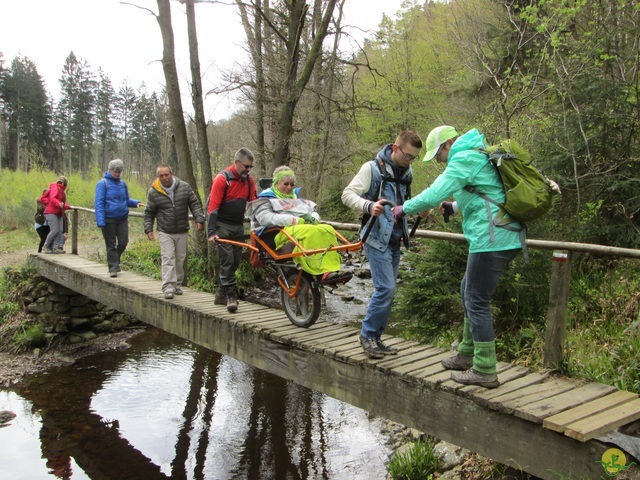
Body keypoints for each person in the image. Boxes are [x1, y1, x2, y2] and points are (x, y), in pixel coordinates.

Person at [394, 125, 522, 389]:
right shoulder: (475, 154)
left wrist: (404, 208)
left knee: (476, 298)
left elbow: (435, 192)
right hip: (498, 234)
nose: (440, 161)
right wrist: (453, 206)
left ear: (448, 144)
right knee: (468, 289)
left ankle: (485, 368)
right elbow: (483, 192)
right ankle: (466, 353)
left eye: (439, 155)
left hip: (493, 237)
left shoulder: (463, 157)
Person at [341, 130, 423, 359]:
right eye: (407, 156)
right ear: (395, 148)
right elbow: (347, 194)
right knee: (385, 288)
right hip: (376, 237)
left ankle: (376, 337)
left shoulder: (408, 172)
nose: (409, 161)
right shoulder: (372, 168)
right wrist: (368, 205)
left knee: (389, 291)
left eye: (413, 158)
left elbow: (404, 204)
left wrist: (418, 209)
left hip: (396, 237)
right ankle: (367, 335)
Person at [247, 166, 349, 281]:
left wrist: (313, 218)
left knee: (327, 229)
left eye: (292, 184)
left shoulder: (296, 197)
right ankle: (320, 273)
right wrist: (294, 220)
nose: (289, 187)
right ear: (276, 183)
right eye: (285, 184)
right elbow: (265, 218)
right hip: (275, 233)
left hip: (295, 229)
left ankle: (332, 269)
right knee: (310, 232)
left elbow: (312, 211)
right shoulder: (266, 198)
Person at [207, 148, 258, 312]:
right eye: (246, 166)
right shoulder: (222, 179)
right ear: (237, 163)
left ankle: (220, 294)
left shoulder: (249, 181)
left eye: (251, 167)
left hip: (237, 225)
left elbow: (253, 204)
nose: (248, 170)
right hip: (222, 225)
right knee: (227, 260)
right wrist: (211, 232)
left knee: (235, 260)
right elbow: (212, 207)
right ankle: (231, 296)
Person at [144, 165, 206, 299]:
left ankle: (176, 284)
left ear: (171, 174)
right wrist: (148, 229)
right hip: (165, 230)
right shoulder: (154, 192)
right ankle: (168, 286)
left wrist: (199, 219)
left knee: (180, 258)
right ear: (158, 177)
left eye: (166, 175)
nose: (164, 178)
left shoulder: (184, 187)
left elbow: (194, 204)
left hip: (182, 229)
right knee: (168, 258)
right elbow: (149, 212)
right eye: (161, 176)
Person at [94, 159, 144, 278]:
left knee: (123, 242)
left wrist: (135, 203)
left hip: (122, 217)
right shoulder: (102, 183)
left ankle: (115, 260)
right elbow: (99, 203)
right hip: (108, 218)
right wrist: (100, 221)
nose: (117, 174)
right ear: (110, 170)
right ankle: (113, 267)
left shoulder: (123, 184)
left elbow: (126, 200)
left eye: (119, 172)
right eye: (115, 171)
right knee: (111, 244)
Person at [40, 176, 72, 254]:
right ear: (64, 183)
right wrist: (59, 204)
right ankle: (46, 246)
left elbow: (61, 203)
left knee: (60, 230)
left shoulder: (61, 191)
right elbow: (53, 199)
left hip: (59, 212)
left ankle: (55, 247)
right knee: (55, 230)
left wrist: (68, 206)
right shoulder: (55, 187)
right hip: (51, 212)